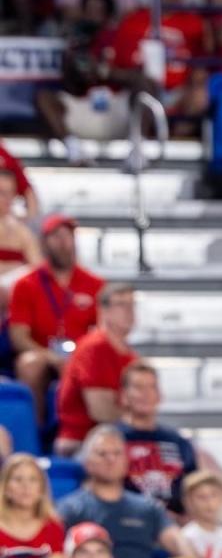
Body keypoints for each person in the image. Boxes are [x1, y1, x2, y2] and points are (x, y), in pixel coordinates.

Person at [58, 425, 191, 558]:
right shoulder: (70, 508)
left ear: (126, 461)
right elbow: (55, 557)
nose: (110, 459)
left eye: (117, 453)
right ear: (87, 463)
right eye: (102, 453)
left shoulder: (148, 508)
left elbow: (179, 544)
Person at [8, 214, 103, 418]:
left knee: (100, 364)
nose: (63, 243)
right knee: (29, 365)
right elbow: (18, 336)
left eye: (68, 236)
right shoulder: (26, 284)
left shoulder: (94, 284)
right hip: (42, 352)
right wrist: (50, 356)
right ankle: (36, 430)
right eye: (57, 236)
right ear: (44, 242)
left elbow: (102, 331)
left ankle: (88, 428)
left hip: (80, 353)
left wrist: (80, 356)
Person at [54, 283, 138, 455]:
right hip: (83, 442)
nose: (129, 311)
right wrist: (139, 420)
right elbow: (101, 411)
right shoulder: (94, 348)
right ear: (103, 310)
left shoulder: (131, 356)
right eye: (121, 304)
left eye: (132, 304)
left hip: (117, 439)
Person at [114, 361, 199, 510]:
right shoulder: (110, 438)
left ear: (160, 395)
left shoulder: (177, 441)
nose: (145, 394)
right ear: (124, 396)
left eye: (151, 387)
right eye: (138, 387)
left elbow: (194, 487)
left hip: (176, 521)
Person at [0, 451, 64, 558]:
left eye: (33, 479)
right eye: (18, 479)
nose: (26, 487)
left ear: (41, 488)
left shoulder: (52, 527)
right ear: (5, 488)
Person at [0, 168, 40, 276]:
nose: (7, 198)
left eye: (11, 193)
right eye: (2, 193)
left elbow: (37, 268)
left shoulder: (23, 232)